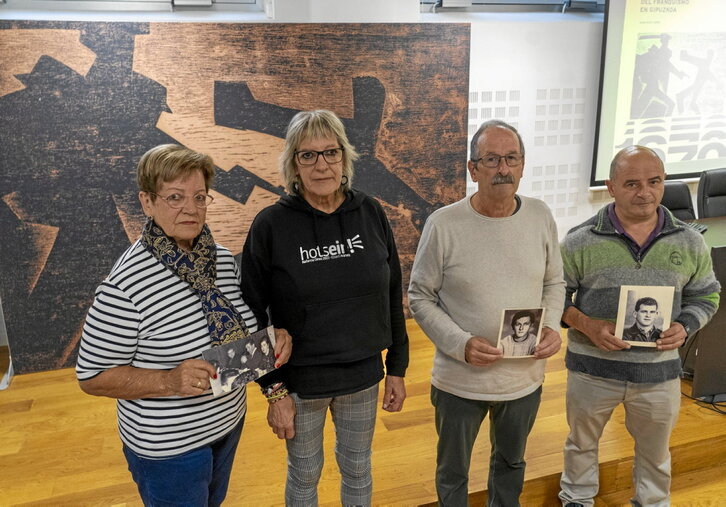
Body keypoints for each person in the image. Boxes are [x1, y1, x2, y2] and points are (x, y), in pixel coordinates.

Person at [75, 144, 291, 506]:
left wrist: (272, 341)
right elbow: (92, 376)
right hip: (169, 450)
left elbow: (230, 335)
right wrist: (168, 380)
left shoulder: (220, 259)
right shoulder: (124, 286)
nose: (190, 208)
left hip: (226, 426)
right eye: (175, 197)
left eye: (199, 196)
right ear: (147, 202)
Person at [240, 109, 409, 506]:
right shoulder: (271, 225)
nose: (321, 165)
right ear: (293, 164)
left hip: (362, 378)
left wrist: (397, 368)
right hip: (301, 384)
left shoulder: (370, 213)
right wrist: (273, 390)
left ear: (345, 157)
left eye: (330, 152)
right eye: (308, 155)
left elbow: (392, 291)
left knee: (358, 470)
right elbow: (248, 312)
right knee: (304, 476)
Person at [408, 119, 565, 506]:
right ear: (473, 168)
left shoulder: (540, 215)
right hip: (460, 381)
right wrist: (459, 343)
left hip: (523, 379)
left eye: (512, 158)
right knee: (452, 472)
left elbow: (555, 282)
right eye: (491, 159)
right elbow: (419, 296)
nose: (503, 169)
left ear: (523, 165)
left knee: (511, 464)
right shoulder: (443, 224)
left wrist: (549, 325)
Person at [558, 145, 720, 507]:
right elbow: (553, 297)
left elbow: (707, 295)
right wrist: (585, 324)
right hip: (591, 370)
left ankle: (651, 502)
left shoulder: (690, 241)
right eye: (632, 183)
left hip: (659, 375)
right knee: (581, 444)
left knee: (655, 453)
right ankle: (577, 498)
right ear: (611, 186)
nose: (644, 192)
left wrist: (685, 325)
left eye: (654, 181)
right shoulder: (578, 240)